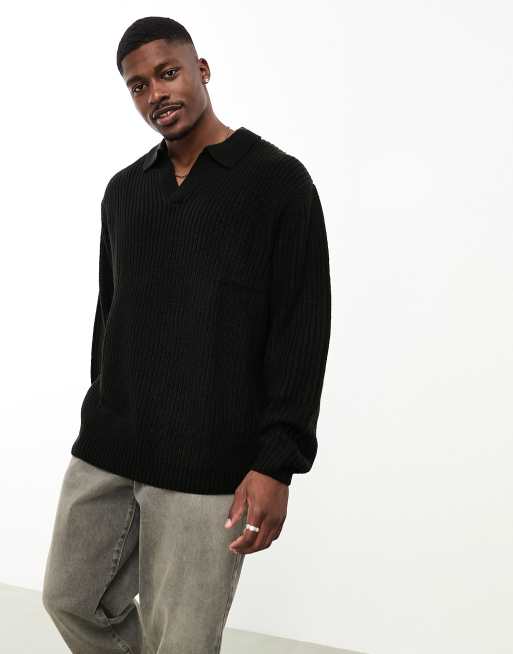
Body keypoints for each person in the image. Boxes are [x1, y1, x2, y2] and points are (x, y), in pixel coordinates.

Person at [42, 15, 331, 654]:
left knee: (184, 640)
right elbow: (109, 314)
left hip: (209, 458)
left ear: (201, 70)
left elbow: (301, 330)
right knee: (68, 598)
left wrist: (276, 462)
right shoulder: (125, 191)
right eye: (138, 86)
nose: (156, 94)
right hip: (111, 445)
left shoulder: (277, 183)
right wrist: (99, 406)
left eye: (167, 73)